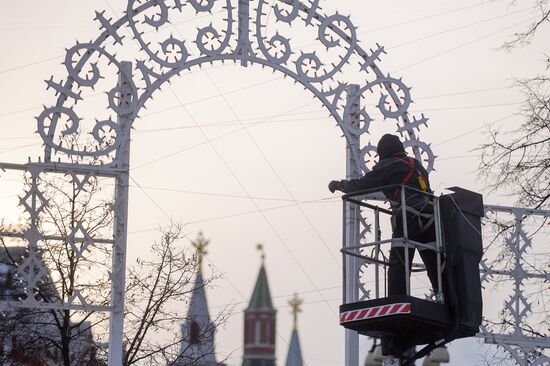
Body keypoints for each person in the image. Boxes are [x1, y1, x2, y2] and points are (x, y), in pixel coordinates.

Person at [328, 134, 439, 296]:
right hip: (430, 218)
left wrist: (339, 185)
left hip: (409, 219)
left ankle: (397, 301)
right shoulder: (416, 166)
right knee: (435, 263)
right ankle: (446, 298)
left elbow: (362, 185)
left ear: (383, 152)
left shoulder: (389, 165)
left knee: (399, 263)